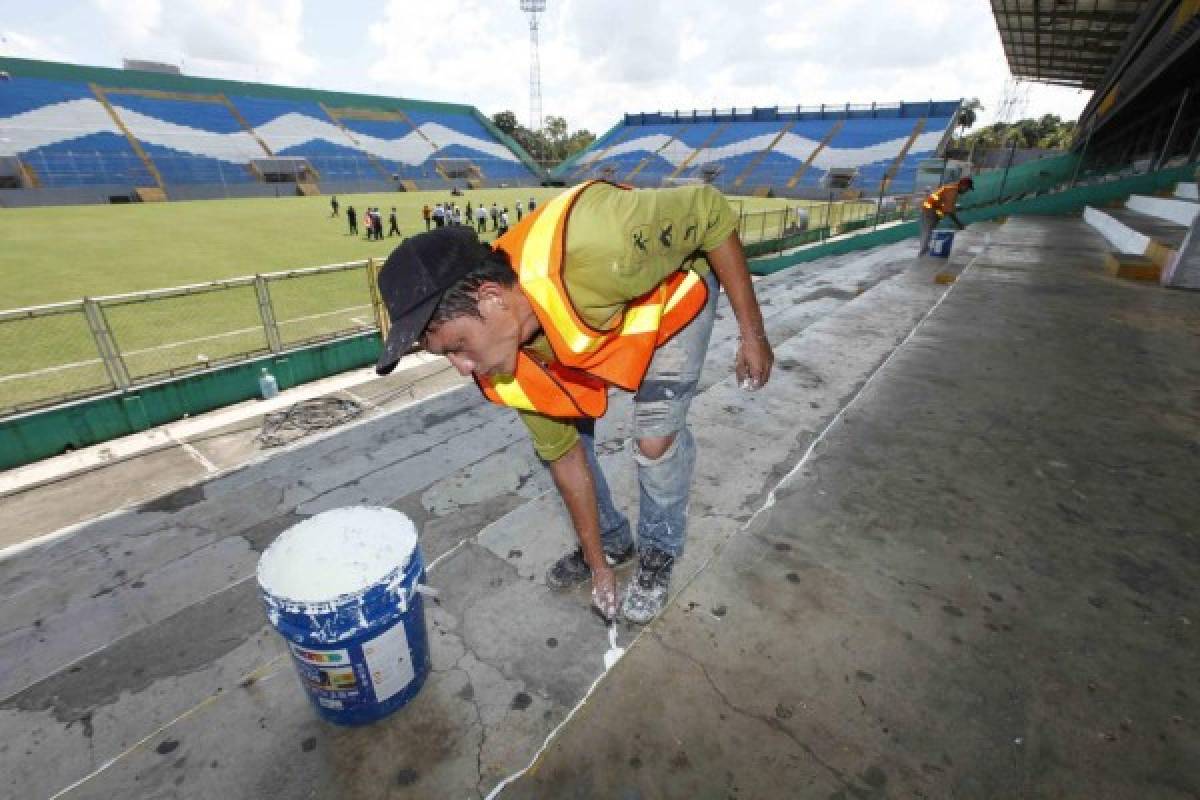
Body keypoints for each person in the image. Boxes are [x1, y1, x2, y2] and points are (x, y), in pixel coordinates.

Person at [373, 181, 774, 624]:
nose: (463, 367)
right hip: (602, 330)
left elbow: (710, 211)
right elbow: (564, 457)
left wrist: (752, 334)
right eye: (447, 356)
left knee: (654, 442)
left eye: (459, 345)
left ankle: (659, 549)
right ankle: (610, 541)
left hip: (677, 300)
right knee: (568, 445)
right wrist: (600, 567)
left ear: (490, 299)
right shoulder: (503, 365)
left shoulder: (599, 242)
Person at [918, 176, 973, 257]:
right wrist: (959, 224)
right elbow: (949, 210)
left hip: (932, 210)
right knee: (927, 231)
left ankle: (924, 250)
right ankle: (923, 253)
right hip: (929, 210)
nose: (966, 191)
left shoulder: (953, 188)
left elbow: (946, 206)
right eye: (967, 189)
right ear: (963, 185)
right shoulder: (953, 191)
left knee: (928, 231)